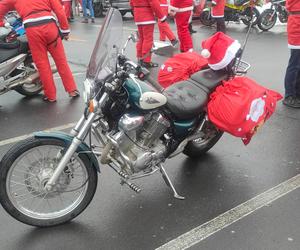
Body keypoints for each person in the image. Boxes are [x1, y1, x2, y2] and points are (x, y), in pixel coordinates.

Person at [0, 0, 79, 102]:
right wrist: (65, 30)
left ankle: (51, 96)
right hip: (50, 26)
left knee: (42, 65)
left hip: (32, 30)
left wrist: (2, 23)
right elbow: (59, 10)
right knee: (61, 61)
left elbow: (1, 6)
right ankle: (72, 90)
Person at [130, 0, 166, 68]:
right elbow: (154, 3)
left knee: (141, 39)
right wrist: (161, 16)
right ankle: (146, 61)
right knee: (148, 39)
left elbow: (131, 3)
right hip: (147, 16)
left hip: (138, 16)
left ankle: (140, 57)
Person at [283, 0, 300, 108]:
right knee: (295, 64)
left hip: (296, 22)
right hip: (297, 26)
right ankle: (289, 95)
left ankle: (297, 93)